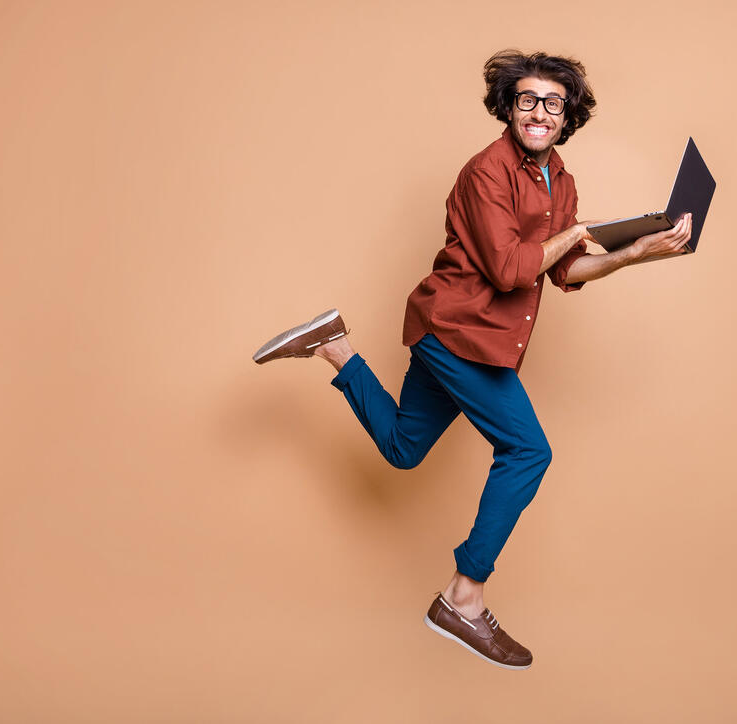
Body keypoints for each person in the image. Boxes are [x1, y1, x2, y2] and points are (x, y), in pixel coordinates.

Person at [252, 49, 692, 670]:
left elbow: (565, 271)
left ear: (568, 116)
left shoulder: (558, 178)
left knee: (404, 448)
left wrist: (640, 250)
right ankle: (465, 596)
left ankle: (336, 346)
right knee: (528, 451)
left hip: (452, 332)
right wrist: (577, 229)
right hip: (463, 333)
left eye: (553, 104)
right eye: (528, 100)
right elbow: (512, 270)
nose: (540, 112)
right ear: (509, 108)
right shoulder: (486, 172)